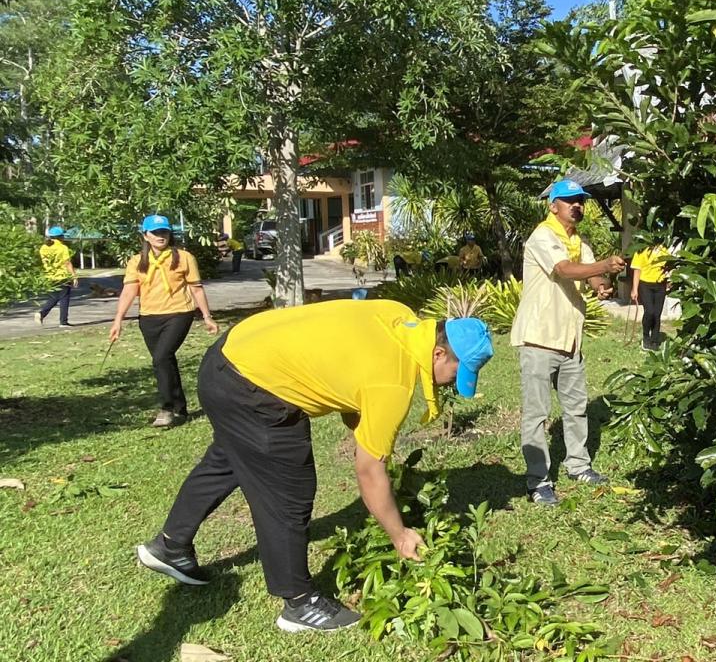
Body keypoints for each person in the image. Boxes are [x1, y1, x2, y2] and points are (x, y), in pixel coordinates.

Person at [134, 301, 494, 633]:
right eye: (457, 371)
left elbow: (351, 374)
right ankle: (299, 603)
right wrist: (400, 535)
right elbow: (368, 470)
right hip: (253, 384)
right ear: (438, 352)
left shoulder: (400, 316)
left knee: (231, 456)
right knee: (289, 490)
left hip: (230, 355)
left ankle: (170, 546)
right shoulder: (393, 382)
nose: (452, 382)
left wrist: (372, 436)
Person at [510, 179, 626, 506]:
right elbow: (564, 269)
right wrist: (602, 265)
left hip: (569, 339)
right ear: (553, 205)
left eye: (581, 201)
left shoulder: (577, 241)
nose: (577, 205)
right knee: (537, 414)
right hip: (539, 338)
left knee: (576, 408)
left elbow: (588, 273)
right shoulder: (542, 237)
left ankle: (578, 465)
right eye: (570, 200)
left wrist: (603, 283)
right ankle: (539, 481)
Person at [109, 215, 219, 428]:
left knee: (161, 357)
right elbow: (130, 290)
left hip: (179, 313)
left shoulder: (185, 257)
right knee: (164, 362)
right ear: (146, 236)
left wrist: (207, 317)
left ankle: (167, 408)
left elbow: (196, 288)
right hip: (149, 317)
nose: (161, 236)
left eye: (164, 232)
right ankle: (180, 408)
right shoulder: (136, 261)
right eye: (156, 233)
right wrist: (118, 320)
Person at [629, 242, 671, 351]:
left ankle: (655, 340)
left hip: (660, 285)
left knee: (657, 313)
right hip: (645, 284)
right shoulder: (641, 250)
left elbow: (668, 267)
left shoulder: (664, 249)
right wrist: (634, 289)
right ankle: (646, 337)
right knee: (650, 311)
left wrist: (669, 281)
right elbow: (637, 271)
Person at [35, 226, 76, 328]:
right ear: (60, 237)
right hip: (62, 276)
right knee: (64, 298)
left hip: (50, 275)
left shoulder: (44, 247)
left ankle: (42, 314)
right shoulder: (62, 248)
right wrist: (74, 276)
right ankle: (63, 321)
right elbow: (67, 263)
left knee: (54, 297)